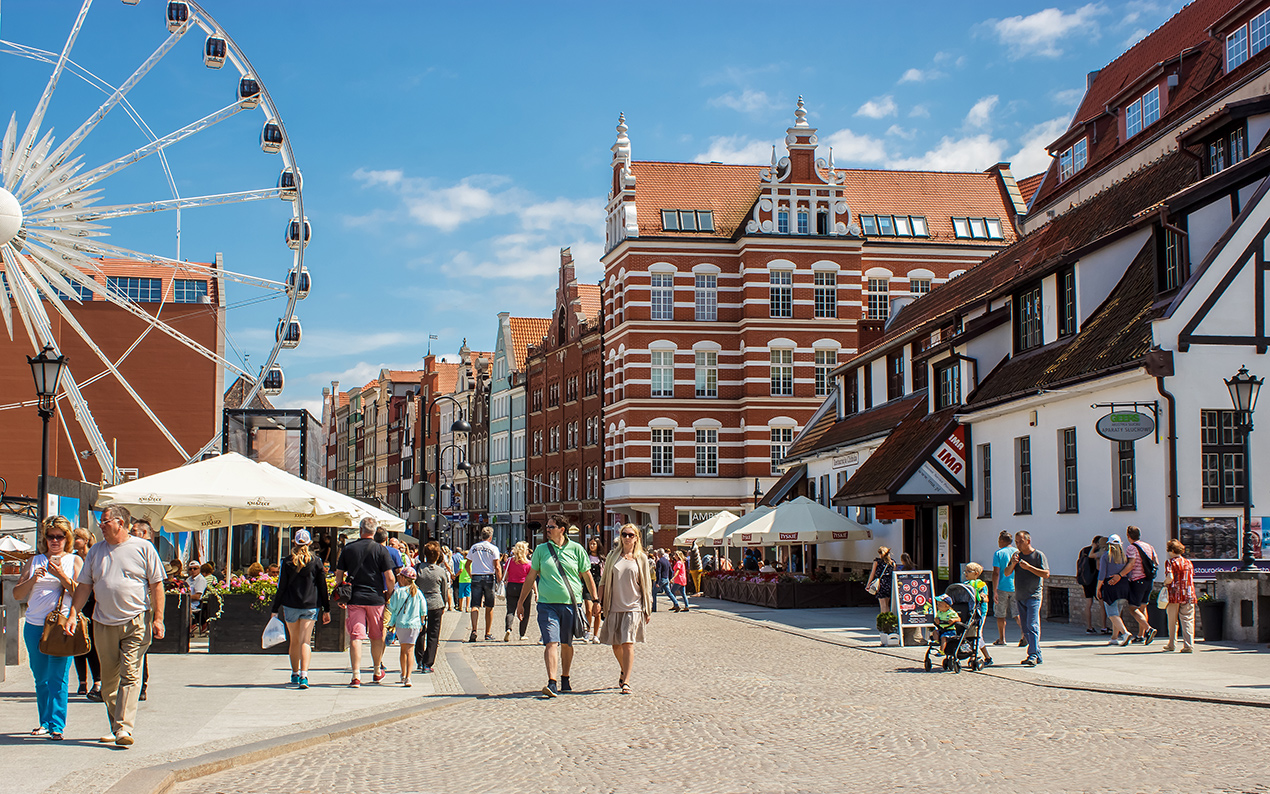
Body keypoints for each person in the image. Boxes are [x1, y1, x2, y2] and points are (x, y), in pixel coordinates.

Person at [66, 505, 165, 747]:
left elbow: (157, 585)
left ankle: (123, 728)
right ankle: (116, 724)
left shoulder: (143, 548)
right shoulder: (96, 551)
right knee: (109, 681)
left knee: (130, 674)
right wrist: (72, 614)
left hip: (136, 620)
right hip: (103, 622)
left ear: (120, 523)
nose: (101, 525)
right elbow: (85, 586)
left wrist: (159, 618)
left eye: (105, 520)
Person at [14, 516, 83, 740]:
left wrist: (60, 575)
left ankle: (57, 725)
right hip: (34, 625)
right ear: (45, 538)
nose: (55, 541)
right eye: (51, 536)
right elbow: (17, 595)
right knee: (41, 677)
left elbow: (81, 593)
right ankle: (44, 721)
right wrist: (33, 579)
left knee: (59, 678)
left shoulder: (74, 561)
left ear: (67, 538)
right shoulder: (34, 561)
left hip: (62, 626)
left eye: (60, 537)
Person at [515, 514, 597, 697]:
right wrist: (521, 602)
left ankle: (565, 678)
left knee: (567, 644)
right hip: (546, 604)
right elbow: (530, 577)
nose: (547, 529)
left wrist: (596, 600)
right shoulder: (541, 550)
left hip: (571, 604)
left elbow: (587, 576)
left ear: (562, 529)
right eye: (547, 527)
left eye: (551, 527)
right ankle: (552, 682)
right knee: (551, 642)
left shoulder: (577, 549)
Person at [335, 517, 396, 688]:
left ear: (361, 529)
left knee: (356, 636)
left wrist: (341, 593)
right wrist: (389, 595)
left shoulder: (348, 549)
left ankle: (356, 676)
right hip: (376, 598)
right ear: (375, 531)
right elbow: (390, 577)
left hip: (354, 598)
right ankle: (377, 671)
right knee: (376, 636)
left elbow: (339, 574)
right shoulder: (381, 550)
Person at [270, 529, 330, 689]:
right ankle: (304, 675)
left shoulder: (287, 561)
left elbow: (281, 587)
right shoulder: (316, 561)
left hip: (291, 604)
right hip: (310, 605)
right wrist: (327, 608)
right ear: (310, 543)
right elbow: (322, 586)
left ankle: (295, 673)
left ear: (294, 543)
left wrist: (275, 608)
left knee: (294, 640)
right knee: (305, 641)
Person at [597, 523, 653, 694]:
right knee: (616, 645)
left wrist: (647, 608)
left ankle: (627, 680)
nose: (627, 538)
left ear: (637, 537)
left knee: (627, 643)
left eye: (631, 535)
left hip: (634, 607)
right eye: (624, 534)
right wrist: (598, 602)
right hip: (614, 606)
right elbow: (604, 581)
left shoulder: (641, 558)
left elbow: (647, 585)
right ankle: (623, 669)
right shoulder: (613, 556)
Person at [1004, 530, 1049, 667]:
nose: (1017, 544)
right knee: (1025, 627)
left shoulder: (1038, 555)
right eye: (1016, 542)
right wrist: (1013, 564)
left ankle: (1033, 654)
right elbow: (1006, 573)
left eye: (1020, 541)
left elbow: (1046, 574)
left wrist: (1029, 568)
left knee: (1032, 625)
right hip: (1020, 595)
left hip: (1033, 595)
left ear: (1028, 541)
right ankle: (1037, 654)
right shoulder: (1016, 555)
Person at [128, 518, 157, 702]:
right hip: (125, 609)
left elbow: (156, 584)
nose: (130, 533)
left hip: (142, 609)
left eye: (134, 531)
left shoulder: (147, 551)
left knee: (139, 650)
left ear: (144, 534)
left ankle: (141, 686)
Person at [71, 527, 101, 702]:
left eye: (77, 538)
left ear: (85, 540)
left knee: (93, 646)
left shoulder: (94, 556)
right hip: (77, 603)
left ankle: (97, 681)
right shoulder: (73, 558)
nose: (74, 540)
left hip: (93, 605)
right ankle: (82, 681)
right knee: (78, 646)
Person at [413, 541, 449, 673]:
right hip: (436, 604)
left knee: (419, 631)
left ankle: (419, 659)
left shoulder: (418, 569)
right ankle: (428, 663)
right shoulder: (440, 571)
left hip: (420, 604)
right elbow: (444, 590)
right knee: (433, 634)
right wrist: (444, 604)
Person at [387, 567, 425, 686]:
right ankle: (409, 677)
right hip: (414, 625)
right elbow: (423, 610)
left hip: (401, 624)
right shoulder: (418, 592)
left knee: (403, 650)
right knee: (410, 650)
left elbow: (391, 607)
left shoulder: (398, 592)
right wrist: (422, 623)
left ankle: (403, 675)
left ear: (403, 578)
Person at [1096, 534, 1135, 647]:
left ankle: (1125, 633)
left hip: (1110, 585)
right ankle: (1114, 637)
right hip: (1123, 584)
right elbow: (1129, 572)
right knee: (1117, 613)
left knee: (1112, 614)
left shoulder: (1106, 556)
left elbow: (1102, 573)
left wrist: (1098, 588)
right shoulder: (1124, 556)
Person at [466, 527, 502, 643]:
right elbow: (497, 566)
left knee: (475, 605)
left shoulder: (474, 547)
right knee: (489, 606)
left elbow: (467, 564)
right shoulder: (493, 548)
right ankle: (487, 633)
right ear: (490, 537)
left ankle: (474, 630)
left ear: (482, 536)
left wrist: (471, 575)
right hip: (488, 577)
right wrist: (500, 580)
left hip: (476, 576)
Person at [1125, 526, 1159, 645]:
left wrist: (1120, 575)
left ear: (1128, 536)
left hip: (1137, 580)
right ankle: (1140, 635)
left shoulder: (1131, 548)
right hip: (1148, 580)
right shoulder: (1149, 546)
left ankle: (1149, 629)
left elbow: (1131, 564)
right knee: (1143, 608)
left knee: (1133, 608)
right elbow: (1156, 562)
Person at [1162, 539, 1197, 653]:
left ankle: (1172, 643)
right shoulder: (1188, 562)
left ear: (1172, 550)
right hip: (1188, 593)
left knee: (1172, 621)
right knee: (1187, 619)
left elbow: (1170, 577)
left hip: (1174, 594)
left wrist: (1165, 583)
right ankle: (1189, 644)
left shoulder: (1170, 562)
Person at [991, 531, 1019, 646]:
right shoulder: (1017, 552)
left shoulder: (998, 553)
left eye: (999, 540)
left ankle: (1002, 639)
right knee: (1017, 613)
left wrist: (994, 590)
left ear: (1002, 541)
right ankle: (1024, 635)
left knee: (1000, 614)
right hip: (1016, 586)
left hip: (1002, 586)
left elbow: (996, 572)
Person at [963, 562, 993, 667]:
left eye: (968, 571)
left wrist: (982, 597)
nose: (965, 573)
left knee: (977, 634)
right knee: (971, 633)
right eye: (965, 571)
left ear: (976, 573)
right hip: (969, 612)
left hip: (980, 612)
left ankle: (986, 657)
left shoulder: (981, 585)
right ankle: (976, 656)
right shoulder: (966, 584)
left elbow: (985, 598)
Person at [1076, 536, 1107, 635]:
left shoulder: (1083, 550)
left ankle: (1089, 627)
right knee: (1102, 604)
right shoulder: (1097, 551)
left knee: (1088, 603)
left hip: (1086, 580)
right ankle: (1104, 627)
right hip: (1095, 580)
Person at [503, 541, 534, 642]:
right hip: (525, 587)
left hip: (512, 586)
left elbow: (506, 576)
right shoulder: (529, 563)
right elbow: (531, 579)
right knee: (526, 610)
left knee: (510, 609)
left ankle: (508, 628)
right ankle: (522, 634)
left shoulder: (509, 561)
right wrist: (536, 591)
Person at [584, 537, 604, 642]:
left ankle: (596, 635)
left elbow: (604, 574)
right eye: (590, 544)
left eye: (594, 544)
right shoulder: (586, 557)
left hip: (598, 585)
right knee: (589, 609)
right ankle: (588, 630)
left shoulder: (602, 559)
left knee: (598, 611)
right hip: (587, 586)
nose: (592, 546)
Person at [866, 546, 896, 615]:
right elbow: (894, 575)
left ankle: (882, 620)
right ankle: (888, 620)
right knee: (887, 604)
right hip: (889, 584)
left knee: (882, 605)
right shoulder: (892, 563)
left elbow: (872, 574)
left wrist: (868, 584)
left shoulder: (877, 562)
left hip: (880, 584)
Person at [186, 560, 208, 636]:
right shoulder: (188, 579)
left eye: (195, 568)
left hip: (195, 604)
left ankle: (191, 625)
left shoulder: (200, 580)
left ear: (199, 569)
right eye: (190, 569)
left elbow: (198, 596)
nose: (192, 570)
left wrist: (187, 597)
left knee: (185, 607)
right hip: (188, 602)